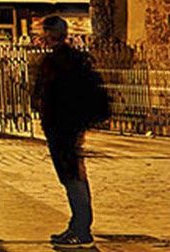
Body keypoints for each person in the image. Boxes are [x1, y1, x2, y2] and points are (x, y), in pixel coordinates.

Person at [31, 16, 110, 246]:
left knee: (71, 176)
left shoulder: (56, 62)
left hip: (62, 126)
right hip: (71, 125)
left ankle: (81, 227)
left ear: (49, 34)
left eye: (44, 32)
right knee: (74, 175)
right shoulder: (74, 59)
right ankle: (78, 224)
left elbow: (50, 95)